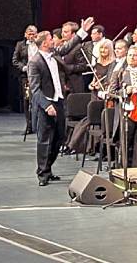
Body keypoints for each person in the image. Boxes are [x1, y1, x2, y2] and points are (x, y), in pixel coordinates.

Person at [28, 17, 94, 186]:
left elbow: (68, 46)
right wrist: (47, 105)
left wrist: (83, 31)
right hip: (46, 104)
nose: (54, 40)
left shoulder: (54, 54)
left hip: (58, 101)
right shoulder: (35, 62)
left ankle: (48, 168)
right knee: (44, 139)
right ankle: (42, 173)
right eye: (51, 39)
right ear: (44, 44)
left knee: (59, 137)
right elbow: (35, 90)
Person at [12, 24, 38, 134]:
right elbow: (15, 60)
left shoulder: (40, 43)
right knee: (27, 101)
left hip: (39, 76)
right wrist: (23, 67)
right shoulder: (20, 45)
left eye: (34, 34)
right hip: (26, 77)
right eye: (30, 34)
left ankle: (40, 125)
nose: (31, 36)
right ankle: (29, 125)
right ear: (25, 34)